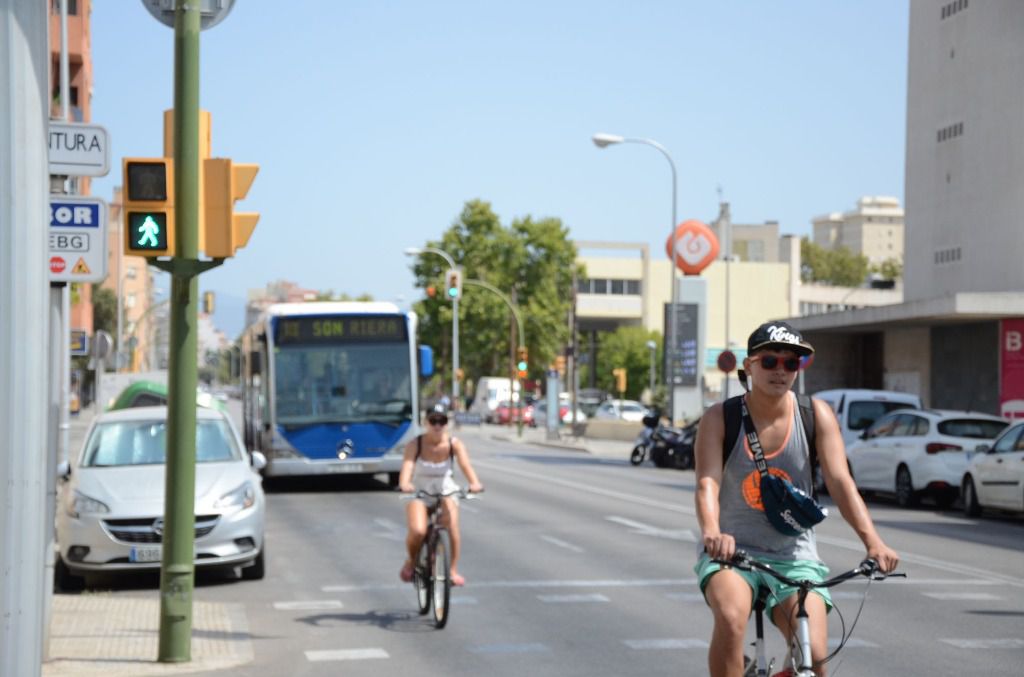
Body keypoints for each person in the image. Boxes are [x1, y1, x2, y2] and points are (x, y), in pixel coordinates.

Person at [693, 321, 899, 677]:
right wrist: (713, 532)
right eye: (770, 361)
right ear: (749, 365)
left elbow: (840, 482)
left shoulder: (814, 415)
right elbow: (707, 483)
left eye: (792, 363)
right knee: (730, 617)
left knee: (814, 653)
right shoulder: (721, 418)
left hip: (794, 558)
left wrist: (874, 543)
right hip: (732, 552)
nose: (781, 371)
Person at [398, 404, 484, 586]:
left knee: (452, 526)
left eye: (442, 421)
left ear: (447, 423)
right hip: (420, 490)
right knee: (418, 530)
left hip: (446, 488)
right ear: (426, 423)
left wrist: (474, 483)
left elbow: (465, 465)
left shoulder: (454, 444)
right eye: (433, 421)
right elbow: (407, 466)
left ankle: (452, 570)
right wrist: (405, 483)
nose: (437, 426)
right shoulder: (416, 444)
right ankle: (411, 561)